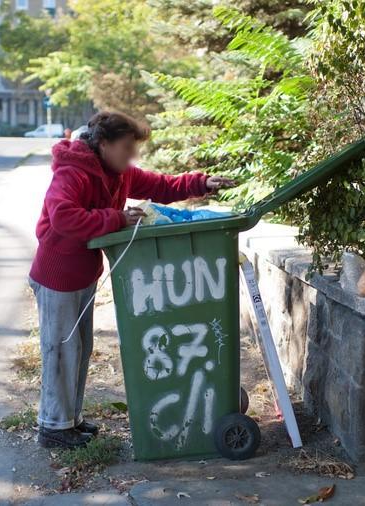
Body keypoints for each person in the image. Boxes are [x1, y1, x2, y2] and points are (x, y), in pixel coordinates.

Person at [28, 111, 235, 449]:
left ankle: (69, 420)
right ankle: (52, 426)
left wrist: (201, 183)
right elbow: (63, 217)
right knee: (61, 351)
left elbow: (159, 185)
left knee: (80, 350)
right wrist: (117, 219)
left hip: (83, 272)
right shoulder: (73, 171)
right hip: (57, 274)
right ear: (104, 144)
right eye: (127, 147)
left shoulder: (117, 172)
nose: (132, 155)